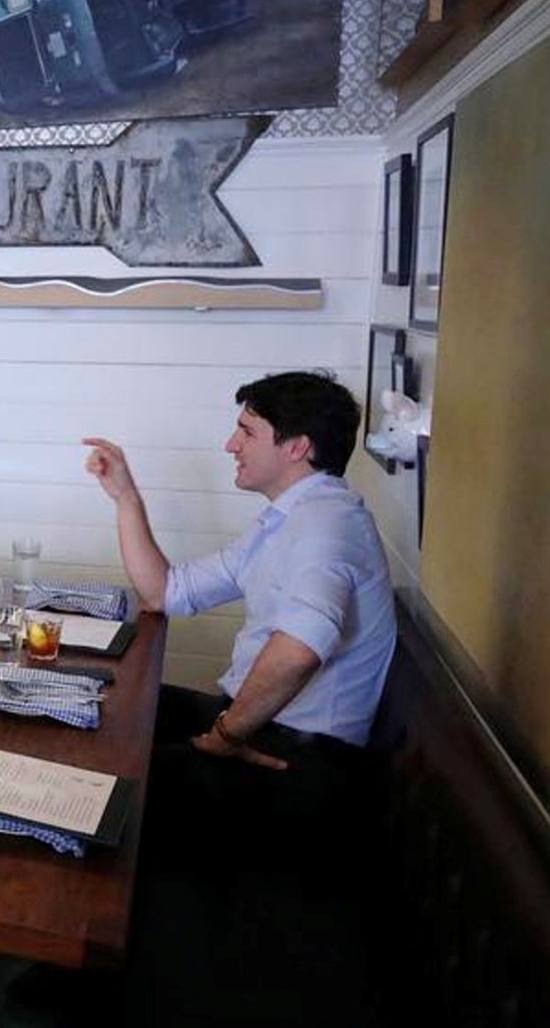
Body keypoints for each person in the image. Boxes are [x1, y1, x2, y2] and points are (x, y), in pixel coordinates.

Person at [82, 370, 395, 870]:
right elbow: (166, 591)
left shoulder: (327, 526)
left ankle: (73, 935)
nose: (231, 445)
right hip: (259, 727)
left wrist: (226, 736)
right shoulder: (287, 519)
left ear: (297, 447)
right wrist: (125, 497)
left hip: (298, 762)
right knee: (104, 709)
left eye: (247, 431)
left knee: (91, 788)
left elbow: (298, 651)